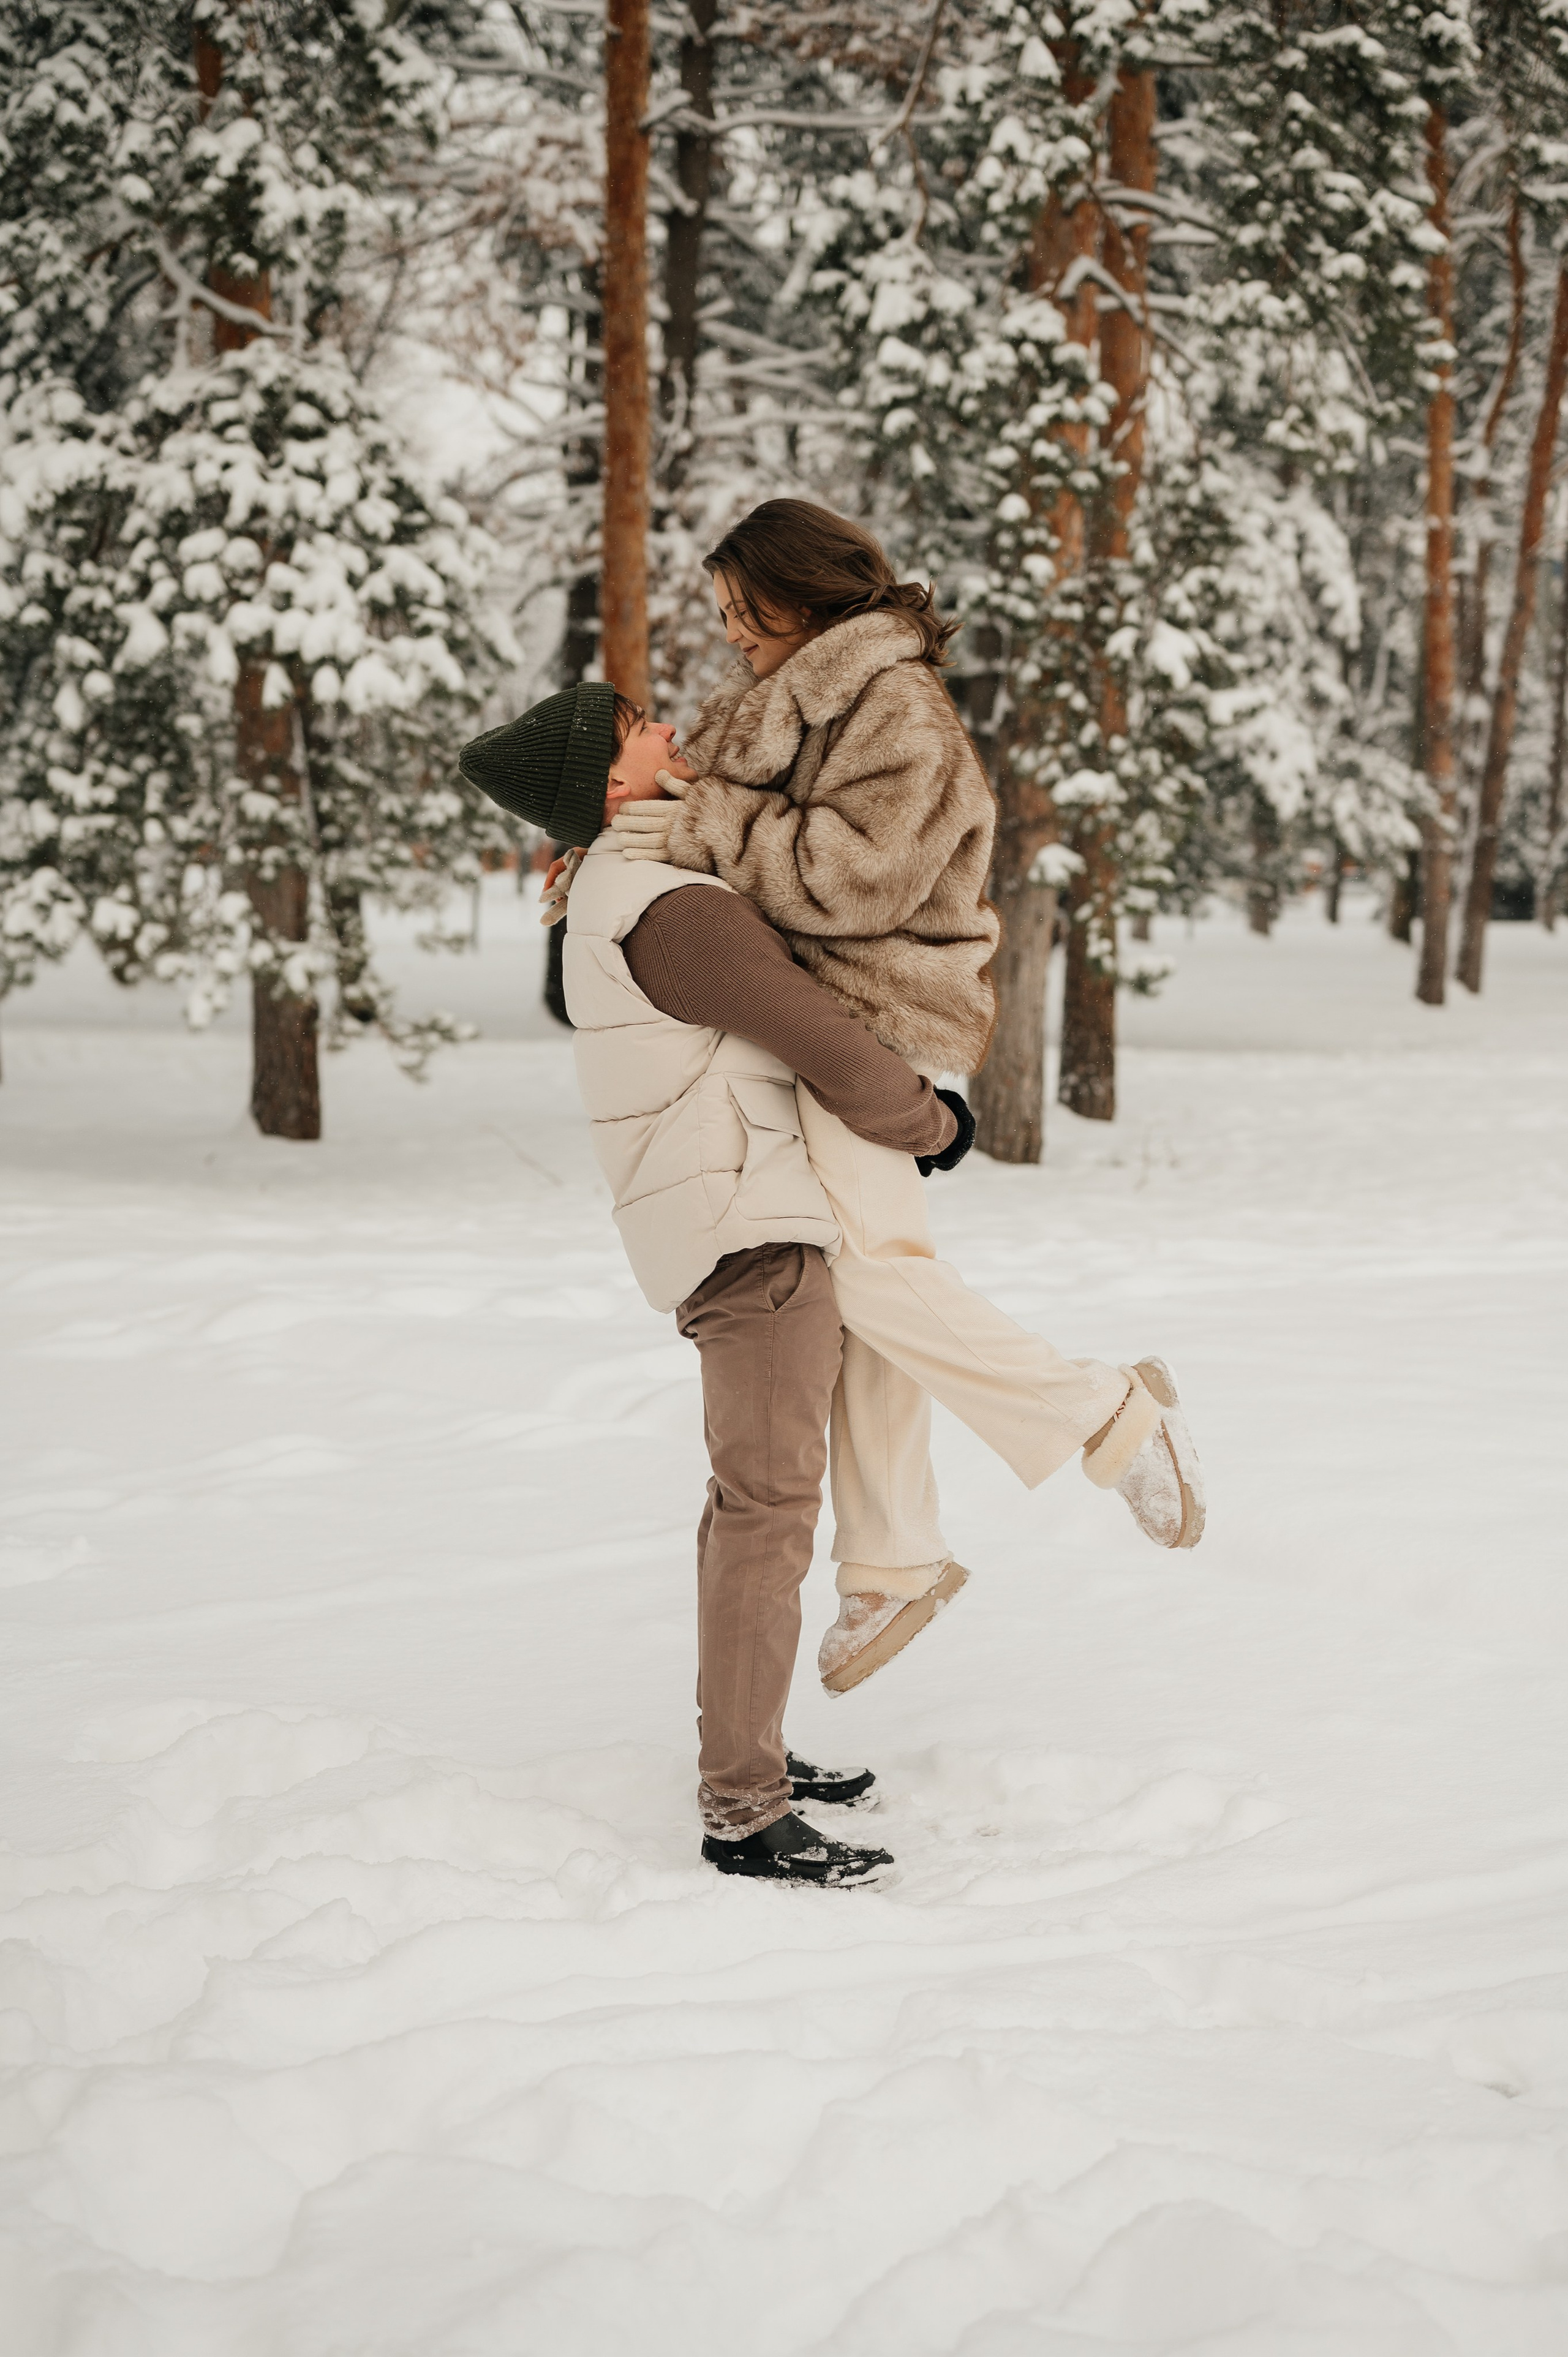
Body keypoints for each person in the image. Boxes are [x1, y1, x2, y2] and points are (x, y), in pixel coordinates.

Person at [606, 500, 1204, 1697]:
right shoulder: (794, 700)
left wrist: (701, 820)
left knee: (870, 1275)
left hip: (864, 1011)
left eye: (745, 612)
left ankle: (1104, 1414)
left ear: (809, 595)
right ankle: (889, 1558)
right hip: (812, 1012)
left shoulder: (896, 708)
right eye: (721, 614)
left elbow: (851, 873)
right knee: (864, 1275)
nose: (729, 635)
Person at [458, 679, 971, 1886]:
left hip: (735, 1218)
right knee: (766, 1512)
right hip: (753, 1230)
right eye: (641, 726)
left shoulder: (626, 887)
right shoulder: (664, 905)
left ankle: (752, 1753)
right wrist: (924, 1123)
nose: (669, 733)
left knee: (753, 1507)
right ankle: (743, 1808)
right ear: (606, 779)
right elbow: (813, 1032)